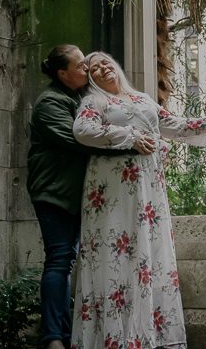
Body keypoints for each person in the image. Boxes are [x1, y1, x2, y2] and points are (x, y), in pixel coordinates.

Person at [70, 52, 206, 349]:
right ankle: (113, 340)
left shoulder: (143, 99)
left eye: (105, 62)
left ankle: (147, 338)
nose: (103, 68)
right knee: (117, 256)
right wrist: (129, 136)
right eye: (94, 69)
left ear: (115, 65)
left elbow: (175, 125)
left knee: (146, 255)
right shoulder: (95, 102)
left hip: (147, 189)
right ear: (90, 79)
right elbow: (82, 130)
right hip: (113, 190)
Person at [26, 45, 151, 349]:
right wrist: (131, 142)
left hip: (79, 194)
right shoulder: (49, 104)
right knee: (59, 260)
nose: (87, 69)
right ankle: (54, 338)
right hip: (55, 193)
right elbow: (80, 140)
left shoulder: (78, 98)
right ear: (63, 73)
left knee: (70, 260)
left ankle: (74, 335)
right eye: (81, 65)